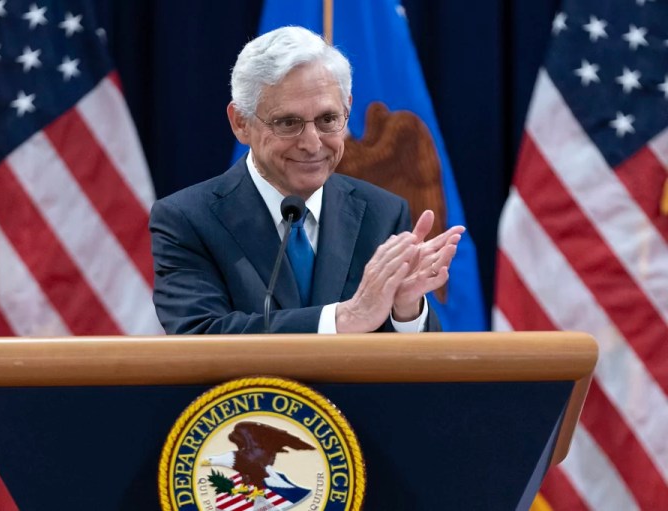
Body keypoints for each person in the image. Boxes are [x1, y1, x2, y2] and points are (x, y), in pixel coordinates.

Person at [149, 26, 464, 335]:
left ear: (348, 110)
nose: (313, 144)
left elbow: (411, 368)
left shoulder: (382, 213)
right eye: (288, 122)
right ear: (241, 123)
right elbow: (202, 334)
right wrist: (344, 318)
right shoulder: (187, 220)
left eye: (328, 119)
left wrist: (405, 309)